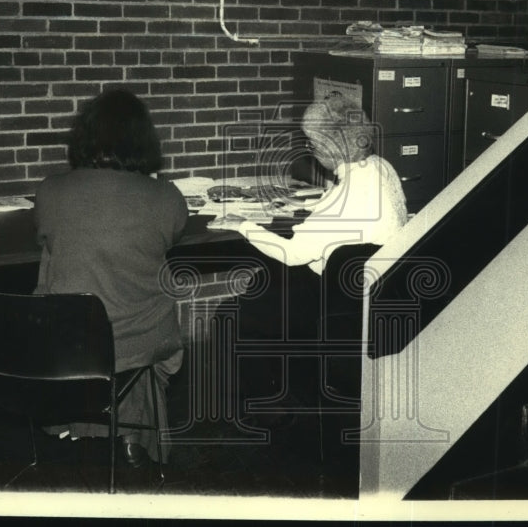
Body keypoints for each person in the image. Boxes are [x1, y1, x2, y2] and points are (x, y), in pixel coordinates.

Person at [211, 95, 408, 420]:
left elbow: (293, 253)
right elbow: (338, 210)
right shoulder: (380, 167)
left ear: (334, 145)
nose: (310, 149)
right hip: (368, 296)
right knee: (266, 280)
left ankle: (267, 405)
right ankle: (288, 385)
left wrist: (243, 224)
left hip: (335, 306)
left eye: (313, 142)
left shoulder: (347, 193)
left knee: (231, 314)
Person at [34, 88, 188, 469]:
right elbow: (171, 233)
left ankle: (82, 423)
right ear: (144, 141)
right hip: (136, 338)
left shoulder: (50, 190)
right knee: (152, 281)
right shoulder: (166, 196)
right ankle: (133, 434)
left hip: (66, 340)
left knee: (57, 261)